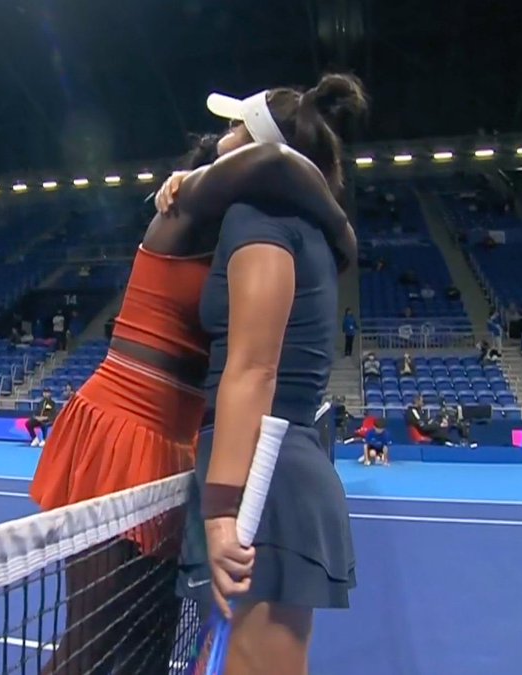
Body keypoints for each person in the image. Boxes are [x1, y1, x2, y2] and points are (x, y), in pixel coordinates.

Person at [29, 75, 358, 675]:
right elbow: (276, 164)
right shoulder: (182, 210)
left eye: (236, 127)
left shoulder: (248, 229)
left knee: (146, 648)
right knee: (95, 650)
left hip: (182, 448)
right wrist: (342, 228)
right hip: (124, 433)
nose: (219, 137)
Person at [173, 75, 366, 675]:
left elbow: (253, 368)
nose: (220, 137)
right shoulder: (287, 220)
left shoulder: (257, 216)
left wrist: (223, 509)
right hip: (265, 470)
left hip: (261, 484)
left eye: (234, 128)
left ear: (259, 144)